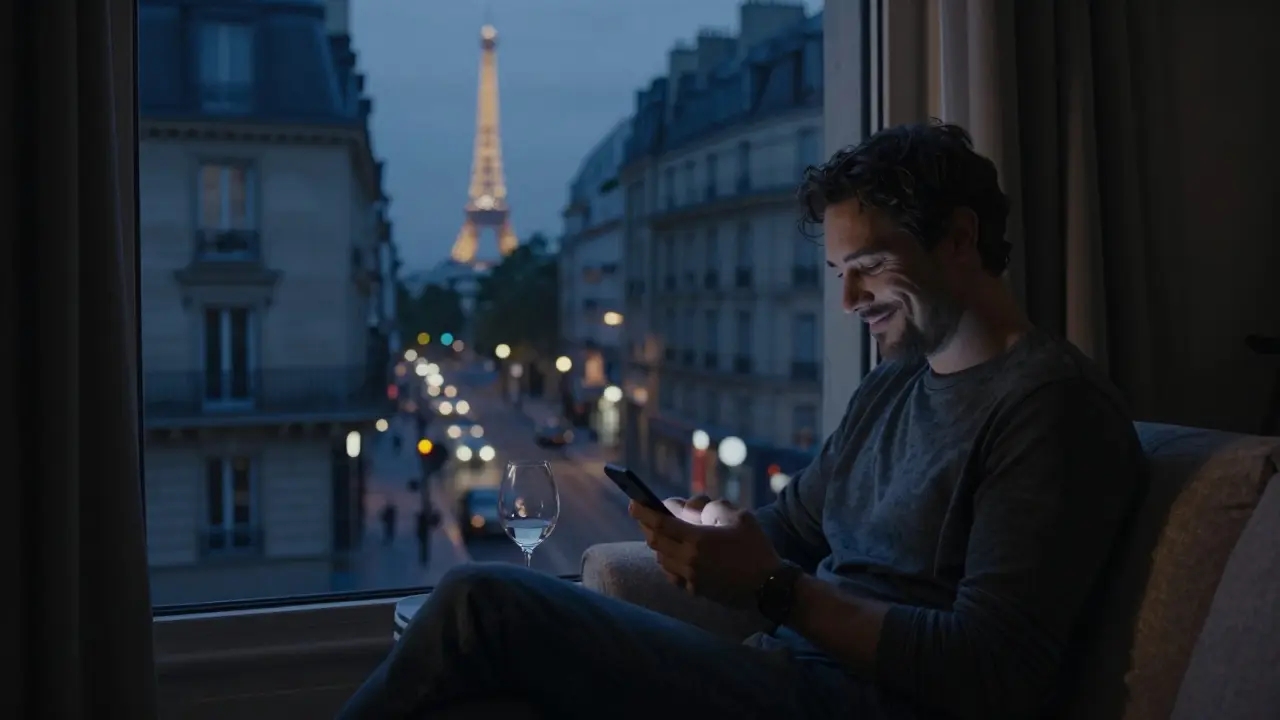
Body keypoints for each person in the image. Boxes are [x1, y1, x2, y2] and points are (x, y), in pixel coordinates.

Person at [337, 121, 1145, 720]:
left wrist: (771, 589)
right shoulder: (893, 387)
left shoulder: (1049, 409)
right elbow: (790, 527)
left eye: (866, 269)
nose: (848, 301)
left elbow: (991, 670)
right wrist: (718, 529)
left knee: (485, 603)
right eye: (837, 272)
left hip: (852, 703)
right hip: (787, 672)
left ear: (961, 239)